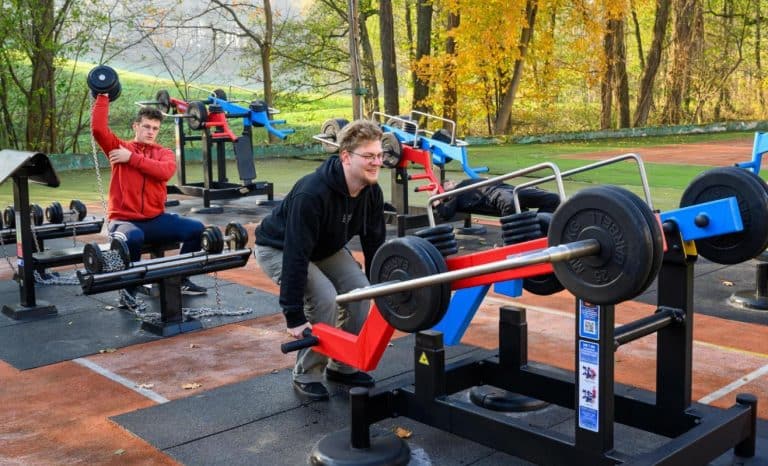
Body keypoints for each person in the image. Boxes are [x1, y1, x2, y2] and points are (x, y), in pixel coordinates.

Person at [255, 120, 387, 401]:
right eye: (369, 156)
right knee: (324, 297)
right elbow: (296, 253)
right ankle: (307, 373)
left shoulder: (372, 192)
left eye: (379, 155)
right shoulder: (311, 193)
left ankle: (342, 365)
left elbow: (374, 244)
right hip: (278, 247)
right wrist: (293, 315)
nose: (377, 162)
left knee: (361, 292)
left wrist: (381, 289)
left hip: (325, 247)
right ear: (346, 157)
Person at [91, 93, 207, 311]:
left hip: (155, 219)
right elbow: (98, 129)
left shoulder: (163, 153)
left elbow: (165, 172)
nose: (150, 132)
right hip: (123, 220)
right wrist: (103, 96)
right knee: (132, 238)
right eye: (146, 127)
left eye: (155, 128)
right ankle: (128, 292)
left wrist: (132, 159)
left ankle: (180, 278)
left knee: (196, 229)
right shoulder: (118, 147)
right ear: (136, 126)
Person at [433, 177, 561, 220]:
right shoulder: (456, 194)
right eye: (447, 184)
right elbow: (445, 214)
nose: (452, 183)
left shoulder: (466, 182)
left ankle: (541, 225)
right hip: (497, 195)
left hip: (510, 189)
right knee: (509, 202)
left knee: (553, 198)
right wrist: (436, 201)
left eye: (451, 182)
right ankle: (511, 244)